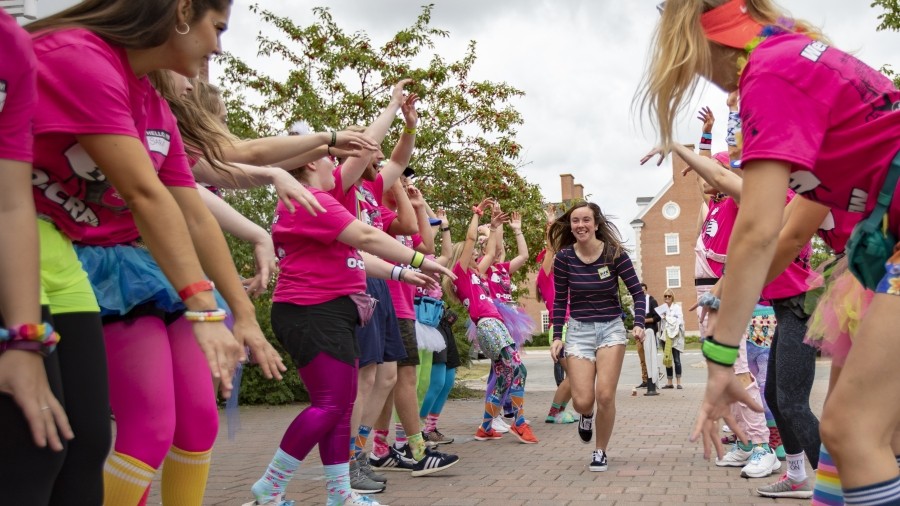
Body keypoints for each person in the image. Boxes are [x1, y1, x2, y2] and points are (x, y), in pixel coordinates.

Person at [25, 1, 289, 503]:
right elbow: (147, 197)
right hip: (53, 258)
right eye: (218, 28)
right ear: (183, 11)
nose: (217, 46)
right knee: (65, 450)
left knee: (109, 442)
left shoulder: (151, 105)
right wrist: (205, 312)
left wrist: (242, 313)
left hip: (77, 261)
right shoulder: (82, 58)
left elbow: (193, 213)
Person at [642, 1, 900, 502]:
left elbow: (757, 232)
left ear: (701, 40)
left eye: (697, 66)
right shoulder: (791, 55)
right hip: (884, 253)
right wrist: (727, 296)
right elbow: (785, 236)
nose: (712, 82)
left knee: (851, 428)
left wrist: (719, 358)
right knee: (851, 435)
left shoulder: (770, 70)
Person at [245, 154, 453, 506]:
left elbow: (355, 254)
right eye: (329, 159)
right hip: (312, 311)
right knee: (331, 405)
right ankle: (271, 484)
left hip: (325, 311)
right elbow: (366, 235)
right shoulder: (313, 201)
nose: (335, 166)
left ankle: (340, 493)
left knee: (339, 406)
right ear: (310, 165)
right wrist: (418, 259)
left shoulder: (313, 202)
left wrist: (401, 272)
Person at [0, 9, 92, 502]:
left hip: (38, 258)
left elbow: (9, 200)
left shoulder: (8, 45)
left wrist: (21, 341)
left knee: (54, 446)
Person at [548, 201, 645, 471]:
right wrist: (558, 335)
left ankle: (600, 451)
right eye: (576, 221)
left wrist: (638, 324)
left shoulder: (614, 254)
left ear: (596, 223)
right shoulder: (565, 257)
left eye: (586, 220)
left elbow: (637, 293)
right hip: (578, 330)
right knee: (582, 401)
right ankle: (586, 416)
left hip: (611, 328)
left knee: (605, 395)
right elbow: (559, 300)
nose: (580, 225)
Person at [444, 200, 538, 444]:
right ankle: (518, 422)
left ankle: (485, 427)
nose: (477, 255)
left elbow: (491, 252)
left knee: (505, 374)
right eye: (471, 254)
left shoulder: (475, 274)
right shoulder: (461, 274)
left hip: (494, 324)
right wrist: (477, 214)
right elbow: (472, 241)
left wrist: (496, 226)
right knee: (518, 369)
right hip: (487, 324)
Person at [657, 289, 684, 389]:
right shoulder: (662, 308)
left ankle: (679, 382)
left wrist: (666, 318)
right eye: (665, 296)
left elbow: (679, 321)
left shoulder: (677, 307)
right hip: (665, 336)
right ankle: (669, 382)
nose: (667, 298)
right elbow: (660, 323)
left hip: (675, 337)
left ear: (672, 297)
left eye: (669, 296)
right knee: (667, 359)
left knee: (677, 360)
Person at [638, 282, 661, 396]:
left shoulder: (652, 301)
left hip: (650, 332)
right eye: (640, 291)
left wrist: (646, 321)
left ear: (646, 290)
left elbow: (658, 317)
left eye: (643, 290)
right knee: (642, 358)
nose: (642, 292)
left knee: (651, 357)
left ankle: (654, 378)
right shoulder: (638, 302)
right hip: (640, 332)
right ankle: (645, 380)